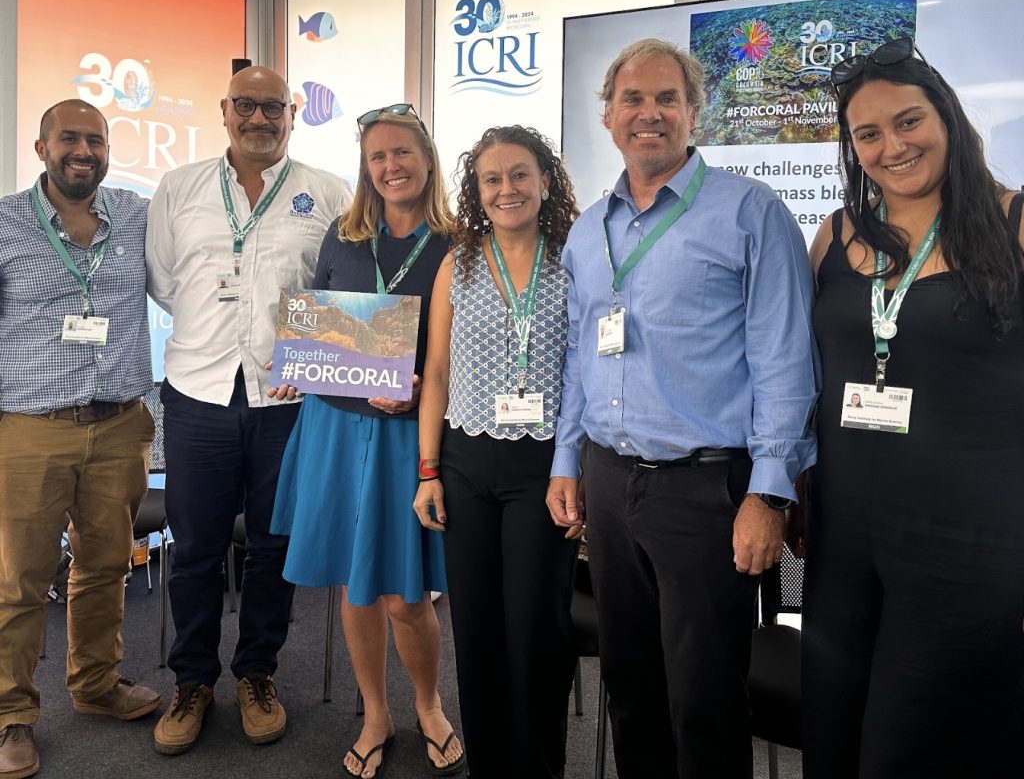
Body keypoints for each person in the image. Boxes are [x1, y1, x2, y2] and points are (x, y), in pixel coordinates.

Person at [545, 39, 818, 779]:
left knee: (704, 696)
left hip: (705, 490)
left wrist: (769, 492)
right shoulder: (585, 231)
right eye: (633, 99)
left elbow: (786, 361)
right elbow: (579, 355)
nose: (650, 114)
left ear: (696, 113)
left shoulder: (750, 213)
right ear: (608, 116)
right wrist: (567, 460)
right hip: (607, 481)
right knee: (629, 683)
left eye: (668, 98)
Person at [803, 36, 1024, 779]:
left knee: (914, 750)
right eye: (868, 133)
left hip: (967, 547)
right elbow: (797, 375)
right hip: (843, 545)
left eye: (908, 122)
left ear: (947, 119)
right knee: (834, 737)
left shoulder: (1015, 224)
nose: (891, 146)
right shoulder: (835, 237)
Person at [145, 66, 351, 756]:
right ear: (225, 109)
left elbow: (339, 289)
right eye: (246, 106)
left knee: (273, 546)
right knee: (196, 549)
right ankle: (193, 681)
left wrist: (305, 356)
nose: (258, 118)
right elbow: (168, 282)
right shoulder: (180, 188)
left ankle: (257, 673)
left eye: (272, 107)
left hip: (285, 401)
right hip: (198, 392)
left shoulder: (327, 192)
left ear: (291, 113)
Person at [270, 104, 465, 779]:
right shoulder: (344, 235)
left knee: (404, 595)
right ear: (366, 167)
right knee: (357, 588)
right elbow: (321, 322)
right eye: (378, 157)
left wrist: (421, 391)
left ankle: (431, 705)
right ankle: (376, 713)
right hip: (334, 429)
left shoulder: (457, 243)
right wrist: (296, 361)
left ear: (427, 159)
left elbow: (471, 349)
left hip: (409, 437)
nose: (390, 167)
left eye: (402, 153)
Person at [414, 125, 580, 779]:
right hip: (465, 464)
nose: (506, 188)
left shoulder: (574, 256)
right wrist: (428, 471)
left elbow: (588, 373)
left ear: (545, 180)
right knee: (477, 633)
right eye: (492, 178)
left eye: (519, 174)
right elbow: (437, 373)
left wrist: (579, 466)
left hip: (545, 467)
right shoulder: (461, 261)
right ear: (475, 191)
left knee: (537, 632)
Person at [0, 99, 159, 779]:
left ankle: (95, 685)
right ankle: (12, 716)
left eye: (95, 140)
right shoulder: (5, 224)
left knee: (105, 566)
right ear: (42, 147)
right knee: (19, 580)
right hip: (31, 429)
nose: (83, 151)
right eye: (69, 138)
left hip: (120, 423)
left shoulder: (135, 216)